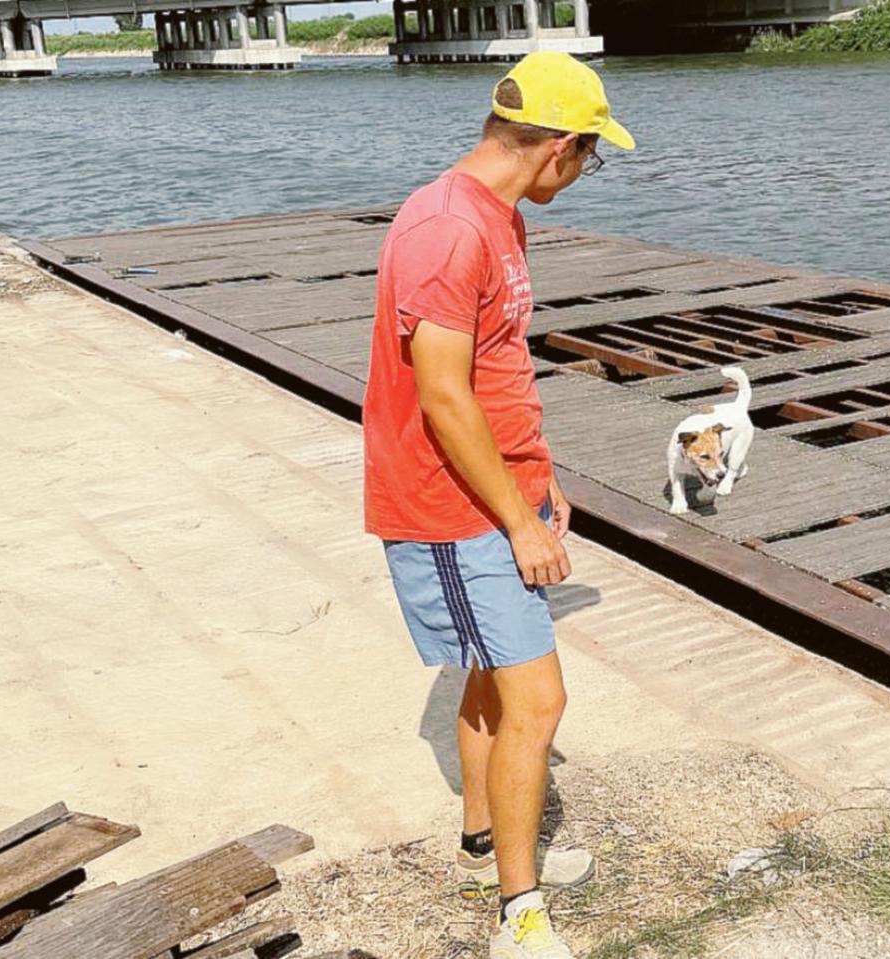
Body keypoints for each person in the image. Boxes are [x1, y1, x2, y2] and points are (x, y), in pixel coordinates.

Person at [362, 52, 634, 959]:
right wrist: (517, 521)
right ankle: (520, 916)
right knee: (540, 702)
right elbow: (442, 395)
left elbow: (496, 367)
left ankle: (484, 849)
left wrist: (536, 473)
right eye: (590, 156)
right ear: (559, 146)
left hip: (496, 487)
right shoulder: (448, 230)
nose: (586, 172)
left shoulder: (497, 215)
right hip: (454, 507)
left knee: (489, 674)